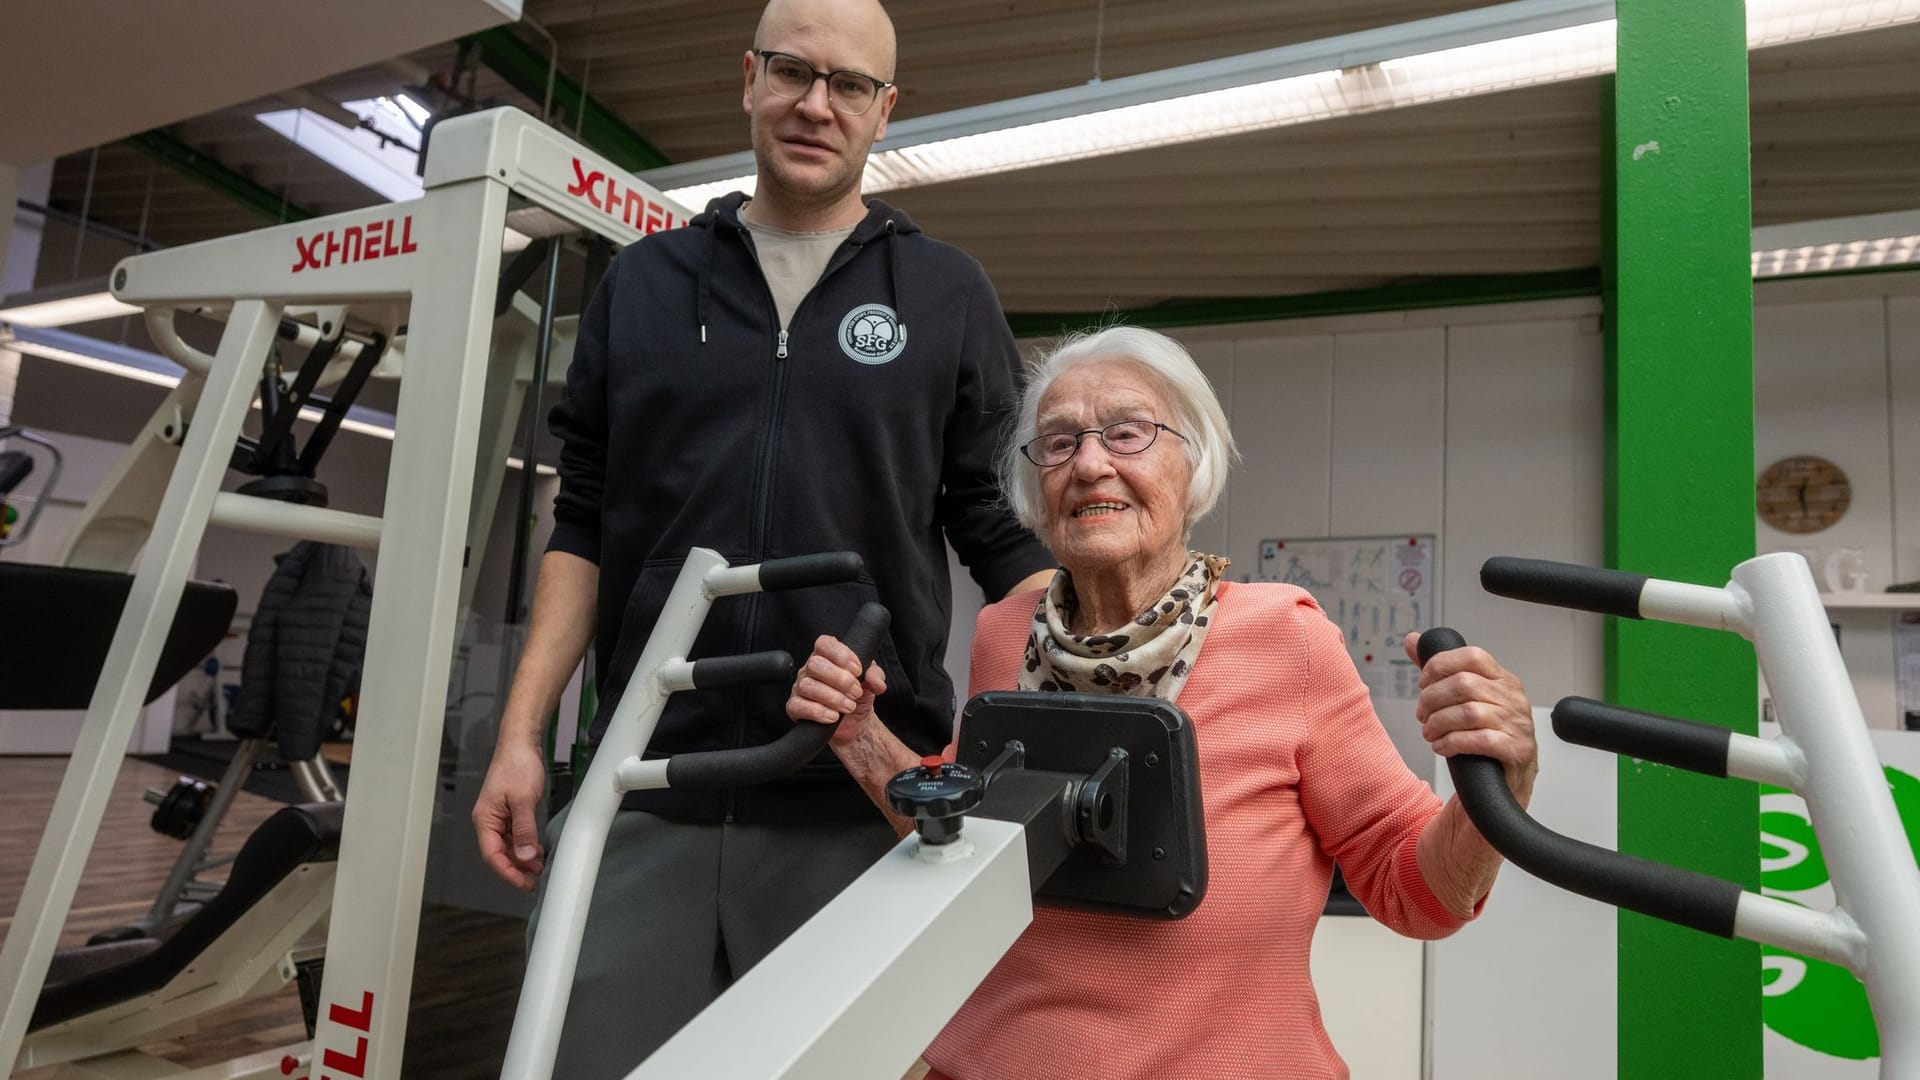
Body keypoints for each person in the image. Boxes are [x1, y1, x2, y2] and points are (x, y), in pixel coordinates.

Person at [470, 0, 1054, 1073]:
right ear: (748, 78)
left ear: (886, 112)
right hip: (645, 785)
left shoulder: (944, 293)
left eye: (850, 87)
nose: (815, 105)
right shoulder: (644, 286)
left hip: (856, 791)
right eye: (793, 72)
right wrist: (522, 733)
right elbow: (584, 518)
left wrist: (1106, 645)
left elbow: (987, 520)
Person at [789, 325, 1540, 1079]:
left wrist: (1498, 784)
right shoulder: (1003, 635)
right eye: (1057, 442)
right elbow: (960, 838)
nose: (1088, 464)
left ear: (1194, 463)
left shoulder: (1285, 636)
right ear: (1034, 488)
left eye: (1127, 432)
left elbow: (1417, 893)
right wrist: (858, 734)